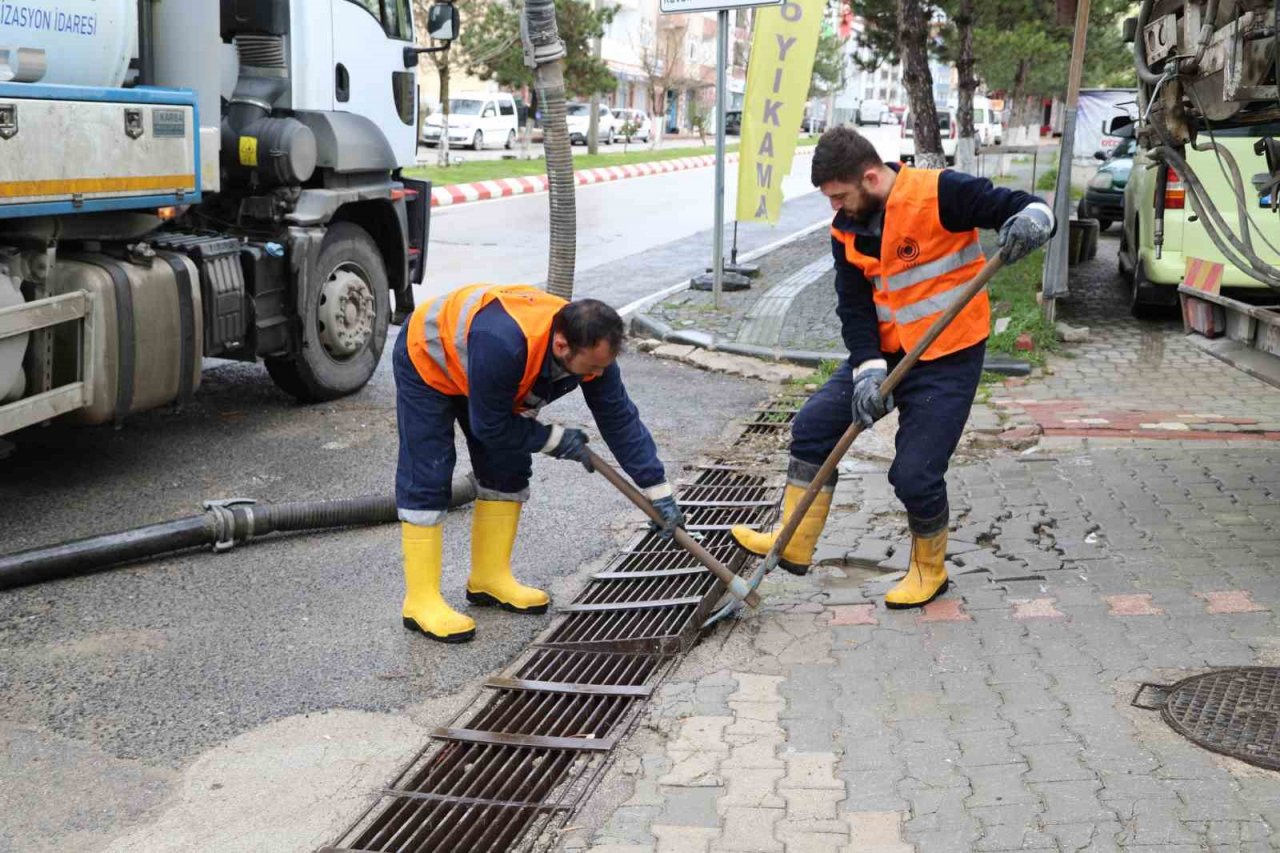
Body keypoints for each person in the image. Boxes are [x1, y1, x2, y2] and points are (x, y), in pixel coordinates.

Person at [732, 127, 1054, 608]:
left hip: (948, 355)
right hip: (887, 354)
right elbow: (855, 307)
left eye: (840, 195)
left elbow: (1031, 205)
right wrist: (866, 371)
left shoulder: (940, 193)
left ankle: (930, 570)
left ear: (870, 177)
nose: (835, 207)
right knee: (814, 427)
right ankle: (792, 540)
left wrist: (1033, 221)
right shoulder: (845, 228)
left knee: (914, 472)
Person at [393, 285, 684, 643]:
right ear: (562, 346)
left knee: (507, 466)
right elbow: (491, 425)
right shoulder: (506, 344)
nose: (597, 373)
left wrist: (659, 491)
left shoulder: (591, 349)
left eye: (602, 366)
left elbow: (619, 419)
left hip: (486, 372)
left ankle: (489, 578)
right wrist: (553, 439)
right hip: (429, 360)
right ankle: (420, 601)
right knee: (430, 471)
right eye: (592, 367)